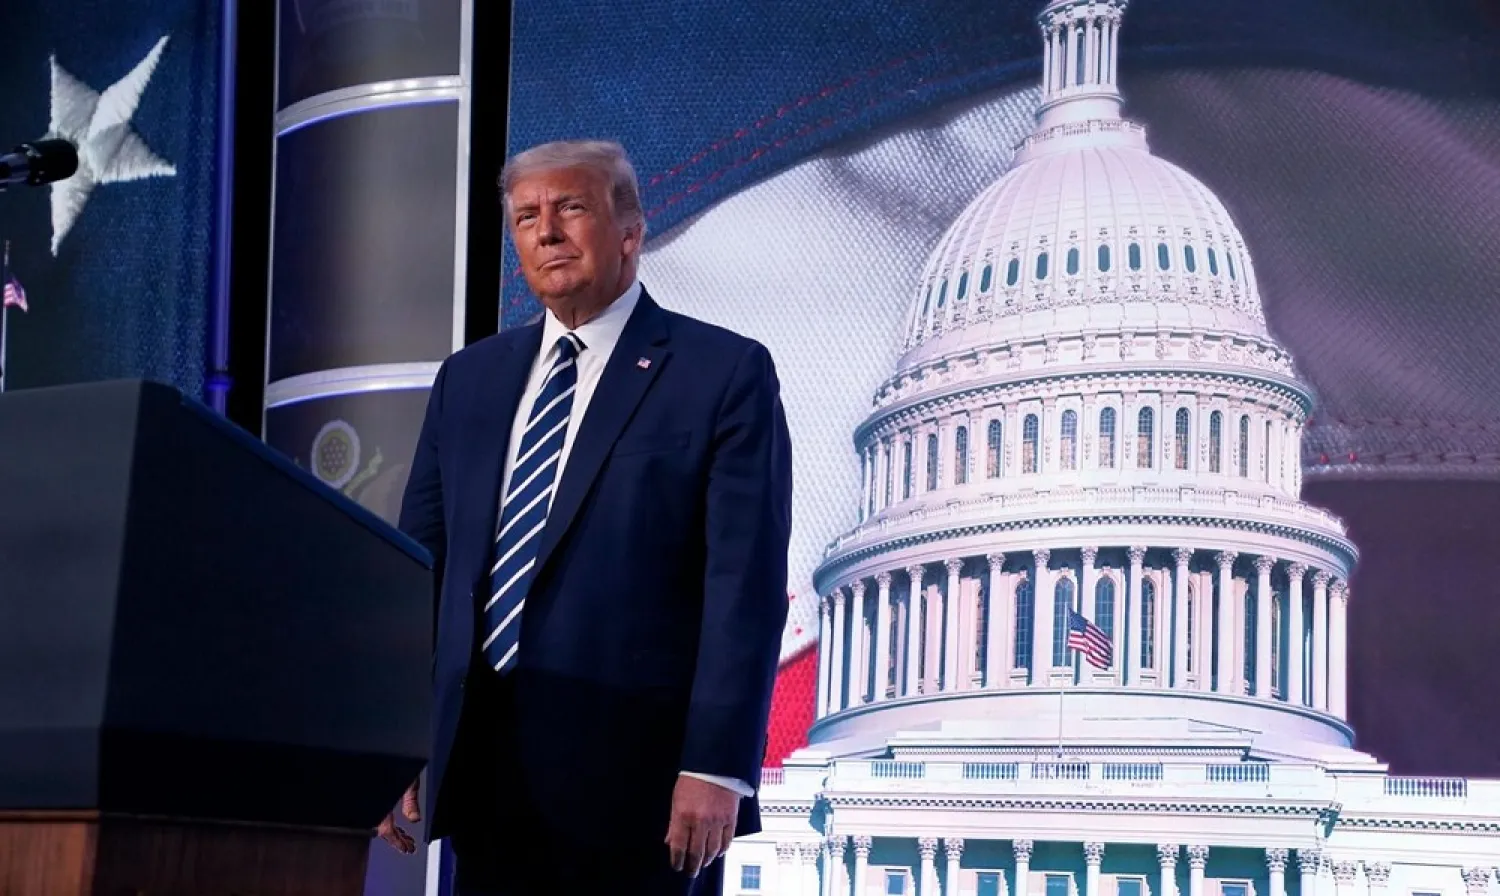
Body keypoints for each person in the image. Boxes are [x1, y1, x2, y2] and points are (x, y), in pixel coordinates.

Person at [382, 139, 794, 896]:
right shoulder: (468, 380)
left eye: (570, 208)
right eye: (526, 217)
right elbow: (423, 569)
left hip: (645, 796)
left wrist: (716, 766)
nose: (546, 232)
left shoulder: (722, 374)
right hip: (486, 778)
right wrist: (399, 736)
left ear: (630, 230)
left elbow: (745, 589)